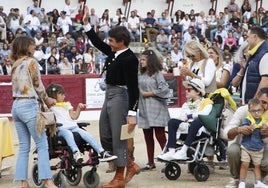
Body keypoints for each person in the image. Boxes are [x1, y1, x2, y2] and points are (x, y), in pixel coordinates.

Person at [82, 5, 140, 187]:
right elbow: (98, 44)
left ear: (121, 41)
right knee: (105, 133)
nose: (109, 43)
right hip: (110, 94)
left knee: (119, 137)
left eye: (112, 40)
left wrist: (132, 113)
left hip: (121, 97)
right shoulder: (114, 52)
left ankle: (120, 175)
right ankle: (130, 164)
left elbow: (133, 87)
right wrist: (86, 26)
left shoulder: (130, 58)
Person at [10, 36, 57, 188]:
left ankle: (23, 182)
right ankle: (48, 181)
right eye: (32, 44)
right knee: (42, 144)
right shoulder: (31, 62)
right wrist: (47, 99)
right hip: (29, 104)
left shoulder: (15, 64)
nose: (34, 47)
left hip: (16, 106)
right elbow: (37, 84)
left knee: (24, 146)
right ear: (26, 46)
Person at [46, 83, 117, 163]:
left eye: (64, 94)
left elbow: (74, 117)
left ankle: (102, 152)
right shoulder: (51, 107)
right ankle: (76, 152)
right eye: (61, 94)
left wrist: (78, 108)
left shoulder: (67, 105)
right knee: (68, 133)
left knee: (86, 134)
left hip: (73, 127)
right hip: (61, 129)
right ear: (53, 95)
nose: (64, 96)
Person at [223, 87, 268, 188]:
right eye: (263, 102)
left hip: (263, 150)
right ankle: (236, 178)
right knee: (232, 150)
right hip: (244, 148)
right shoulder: (243, 111)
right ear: (256, 98)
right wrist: (238, 130)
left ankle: (262, 178)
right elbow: (226, 133)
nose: (265, 107)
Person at [157, 78, 212, 160]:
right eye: (186, 89)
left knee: (197, 121)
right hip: (187, 128)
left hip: (200, 130)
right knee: (172, 122)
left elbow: (204, 114)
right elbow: (182, 118)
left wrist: (190, 116)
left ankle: (183, 151)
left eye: (189, 89)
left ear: (198, 92)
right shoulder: (186, 104)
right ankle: (171, 151)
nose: (186, 91)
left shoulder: (206, 102)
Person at [138, 50, 170, 171]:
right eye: (141, 59)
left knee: (160, 135)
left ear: (150, 61)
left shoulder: (157, 74)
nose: (141, 62)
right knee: (147, 136)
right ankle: (150, 162)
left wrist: (149, 93)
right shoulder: (140, 75)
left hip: (156, 108)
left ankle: (168, 160)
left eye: (144, 59)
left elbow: (165, 90)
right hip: (144, 109)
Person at [233, 27, 268, 105]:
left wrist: (254, 103)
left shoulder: (265, 54)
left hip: (256, 107)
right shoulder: (254, 54)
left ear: (255, 37)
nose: (247, 40)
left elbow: (265, 80)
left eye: (247, 37)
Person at [238, 98, 268, 188]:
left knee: (257, 166)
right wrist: (248, 128)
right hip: (246, 146)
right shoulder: (248, 120)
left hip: (258, 147)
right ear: (249, 111)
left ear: (262, 110)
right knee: (244, 164)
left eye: (259, 110)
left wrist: (264, 131)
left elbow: (263, 137)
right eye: (253, 111)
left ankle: (257, 182)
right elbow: (243, 128)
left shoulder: (264, 121)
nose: (256, 113)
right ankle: (242, 182)